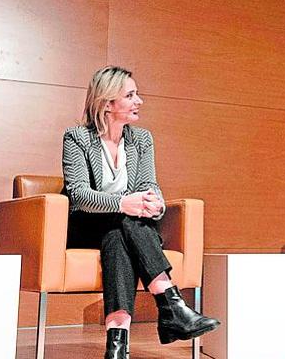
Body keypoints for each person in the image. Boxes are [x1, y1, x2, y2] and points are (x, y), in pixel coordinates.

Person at [62, 66, 220, 359]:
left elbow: (149, 186)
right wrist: (125, 203)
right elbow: (80, 195)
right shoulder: (77, 138)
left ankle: (118, 344)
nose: (139, 101)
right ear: (107, 103)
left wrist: (155, 203)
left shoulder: (142, 139)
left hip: (120, 228)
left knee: (117, 236)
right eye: (130, 95)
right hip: (85, 224)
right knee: (123, 218)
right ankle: (170, 303)